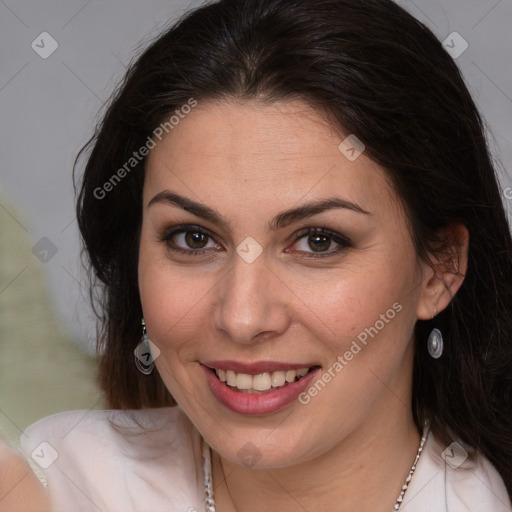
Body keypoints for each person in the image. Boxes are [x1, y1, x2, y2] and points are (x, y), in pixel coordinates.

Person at [1, 0, 511, 510]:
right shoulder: (53, 485)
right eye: (193, 238)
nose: (242, 318)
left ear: (439, 268)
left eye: (318, 241)